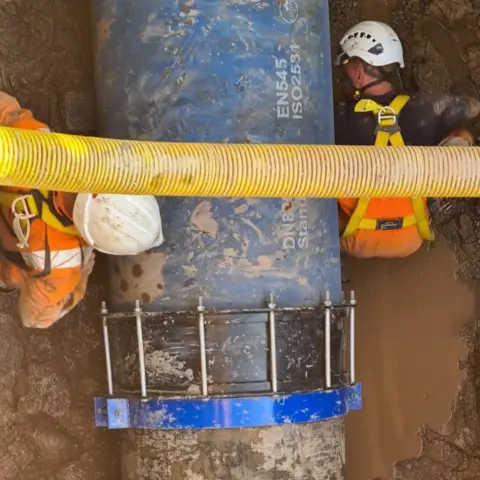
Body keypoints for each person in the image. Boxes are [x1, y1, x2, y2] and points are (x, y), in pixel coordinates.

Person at [0, 91, 164, 328]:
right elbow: (31, 318)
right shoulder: (62, 269)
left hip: (12, 165)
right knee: (27, 292)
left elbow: (6, 112)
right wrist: (82, 277)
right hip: (12, 243)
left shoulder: (44, 145)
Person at [334, 20, 479, 258]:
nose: (344, 76)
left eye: (346, 69)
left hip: (355, 238)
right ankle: (434, 193)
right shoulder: (427, 109)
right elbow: (471, 107)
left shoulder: (338, 119)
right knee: (463, 135)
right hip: (411, 237)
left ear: (359, 74)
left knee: (317, 166)